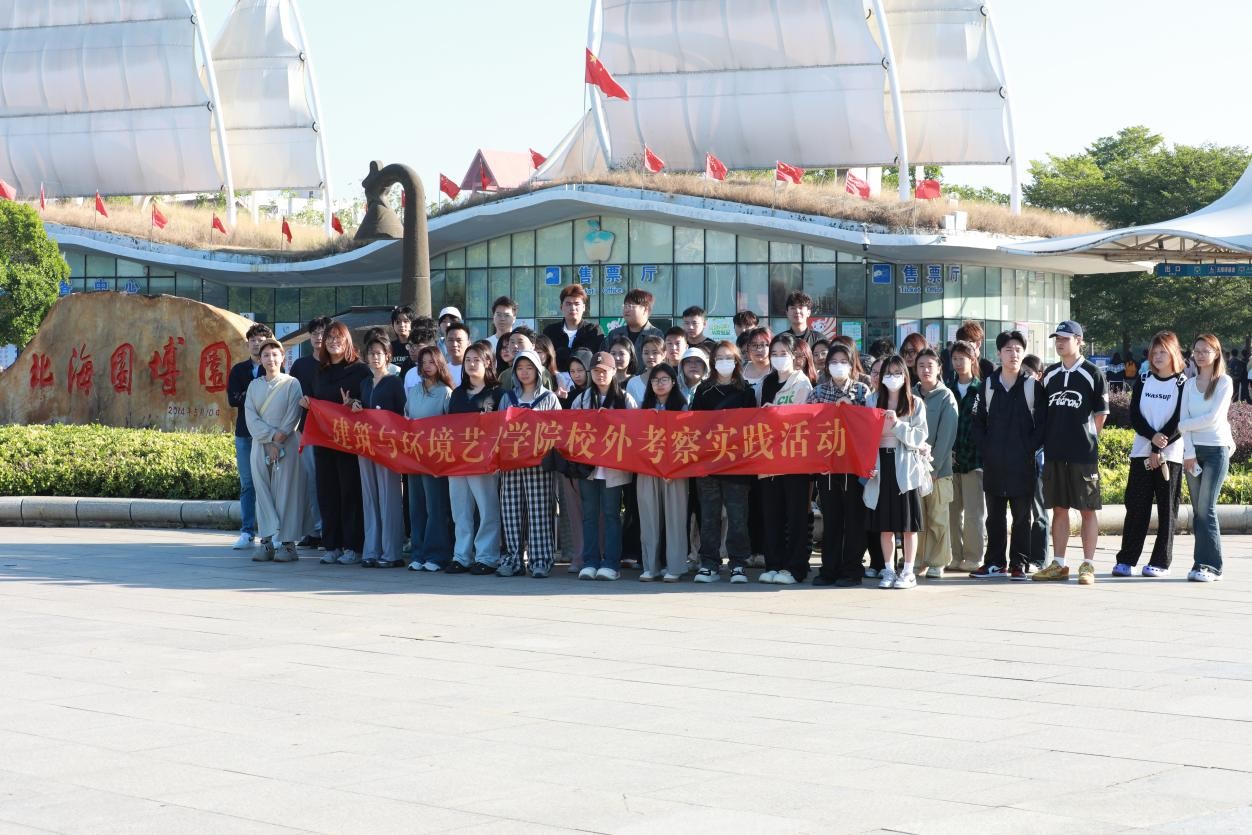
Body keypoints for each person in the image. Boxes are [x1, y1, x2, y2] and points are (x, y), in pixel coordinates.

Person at [1032, 321, 1108, 586]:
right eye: (1057, 339)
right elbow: (1042, 412)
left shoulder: (1093, 373)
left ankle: (1088, 564)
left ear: (1079, 340)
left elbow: (1101, 414)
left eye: (1065, 338)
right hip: (1054, 453)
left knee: (1087, 510)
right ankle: (1059, 563)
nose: (1059, 343)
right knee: (1059, 509)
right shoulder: (1050, 374)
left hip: (1083, 455)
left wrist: (1086, 440)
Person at [970, 330, 1044, 581]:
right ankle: (994, 562)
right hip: (994, 464)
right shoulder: (987, 385)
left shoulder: (1032, 386)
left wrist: (1027, 449)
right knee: (994, 517)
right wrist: (987, 449)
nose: (1013, 354)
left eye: (1018, 349)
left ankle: (1019, 563)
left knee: (1022, 517)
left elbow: (1042, 425)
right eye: (1008, 349)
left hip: (1023, 465)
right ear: (999, 353)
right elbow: (977, 422)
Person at [1113, 331, 1186, 577]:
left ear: (1174, 353)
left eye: (1163, 351)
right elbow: (1135, 415)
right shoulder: (1144, 379)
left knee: (1167, 509)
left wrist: (1158, 447)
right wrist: (1152, 440)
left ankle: (1161, 561)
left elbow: (1179, 420)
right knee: (1136, 506)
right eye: (1154, 352)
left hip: (1170, 456)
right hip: (1141, 452)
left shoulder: (1182, 383)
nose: (1158, 356)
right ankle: (1127, 559)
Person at [689, 342, 757, 582]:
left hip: (737, 464)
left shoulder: (746, 391)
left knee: (738, 517)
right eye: (719, 357)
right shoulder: (704, 390)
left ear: (737, 361)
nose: (724, 361)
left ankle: (738, 563)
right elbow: (694, 425)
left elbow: (752, 426)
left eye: (729, 357)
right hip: (708, 463)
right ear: (713, 362)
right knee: (709, 516)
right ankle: (709, 563)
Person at [303, 321, 370, 565]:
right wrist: (307, 404)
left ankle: (353, 546)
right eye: (329, 338)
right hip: (324, 441)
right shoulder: (319, 371)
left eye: (338, 337)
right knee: (327, 492)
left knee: (349, 492)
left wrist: (354, 404)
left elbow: (367, 404)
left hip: (350, 442)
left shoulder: (360, 371)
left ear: (347, 340)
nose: (333, 342)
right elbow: (314, 400)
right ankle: (332, 545)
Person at [863, 354, 929, 590]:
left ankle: (908, 571)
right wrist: (867, 464)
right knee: (886, 525)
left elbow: (920, 437)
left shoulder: (915, 403)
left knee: (908, 525)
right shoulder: (872, 400)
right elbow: (865, 436)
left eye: (897, 373)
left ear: (905, 376)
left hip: (906, 467)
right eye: (888, 373)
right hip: (880, 466)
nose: (892, 378)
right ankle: (889, 569)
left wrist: (897, 425)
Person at [808, 343, 871, 587]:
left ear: (852, 364)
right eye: (834, 362)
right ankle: (829, 569)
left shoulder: (862, 391)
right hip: (827, 465)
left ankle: (852, 570)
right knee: (832, 519)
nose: (838, 366)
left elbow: (869, 426)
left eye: (843, 361)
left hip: (853, 466)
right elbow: (809, 427)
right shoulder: (818, 392)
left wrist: (852, 408)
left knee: (854, 519)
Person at [756, 333, 816, 585]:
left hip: (794, 460)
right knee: (772, 515)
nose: (778, 358)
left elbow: (803, 420)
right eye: (774, 354)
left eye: (783, 353)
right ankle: (774, 564)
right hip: (769, 459)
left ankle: (795, 568)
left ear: (794, 356)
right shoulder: (765, 382)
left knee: (796, 515)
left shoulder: (802, 384)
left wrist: (777, 414)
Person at [572, 351, 637, 581]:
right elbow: (572, 429)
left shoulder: (625, 398)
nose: (600, 375)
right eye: (596, 371)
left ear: (613, 372)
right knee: (589, 514)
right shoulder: (582, 399)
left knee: (611, 514)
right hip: (588, 466)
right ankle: (590, 561)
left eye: (605, 371)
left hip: (614, 467)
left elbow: (635, 430)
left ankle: (611, 563)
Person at [497, 350, 563, 577]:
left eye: (529, 368)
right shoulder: (507, 398)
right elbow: (498, 429)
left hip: (539, 464)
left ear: (538, 370)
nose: (524, 373)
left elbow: (558, 430)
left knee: (539, 511)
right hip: (511, 463)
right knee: (511, 511)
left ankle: (540, 560)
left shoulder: (549, 398)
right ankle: (513, 559)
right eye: (520, 368)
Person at [244, 338, 306, 563]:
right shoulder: (254, 386)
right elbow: (250, 417)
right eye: (266, 355)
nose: (270, 359)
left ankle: (288, 545)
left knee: (287, 492)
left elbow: (293, 416)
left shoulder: (292, 383)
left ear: (283, 357)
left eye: (274, 354)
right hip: (260, 445)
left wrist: (278, 442)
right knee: (263, 492)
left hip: (287, 444)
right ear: (260, 359)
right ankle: (266, 542)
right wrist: (270, 440)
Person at [1180, 333, 1235, 582]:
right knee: (1198, 512)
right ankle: (1199, 563)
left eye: (1206, 351)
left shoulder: (1224, 382)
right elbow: (1183, 420)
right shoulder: (1189, 384)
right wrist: (1189, 453)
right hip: (1193, 453)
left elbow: (1213, 418)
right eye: (1197, 351)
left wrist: (1185, 426)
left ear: (1216, 353)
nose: (1200, 355)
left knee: (1207, 509)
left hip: (1216, 451)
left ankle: (1212, 567)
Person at [445, 342, 504, 575]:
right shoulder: (458, 393)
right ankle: (461, 556)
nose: (470, 364)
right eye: (468, 360)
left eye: (476, 359)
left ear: (488, 362)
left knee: (487, 509)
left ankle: (487, 557)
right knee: (460, 510)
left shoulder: (497, 393)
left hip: (484, 461)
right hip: (458, 460)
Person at [351, 334, 406, 568]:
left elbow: (402, 415)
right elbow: (364, 409)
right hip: (366, 446)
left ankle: (392, 552)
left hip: (388, 447)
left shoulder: (394, 382)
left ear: (388, 356)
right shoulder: (365, 383)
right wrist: (355, 406)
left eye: (379, 353)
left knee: (389, 498)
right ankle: (372, 549)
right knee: (370, 498)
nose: (374, 357)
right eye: (371, 353)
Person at [637, 363, 689, 582]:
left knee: (675, 519)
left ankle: (675, 566)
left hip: (674, 470)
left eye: (664, 379)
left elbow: (685, 440)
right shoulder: (644, 407)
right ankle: (651, 566)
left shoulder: (682, 406)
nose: (659, 384)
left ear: (673, 382)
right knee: (649, 518)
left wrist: (672, 468)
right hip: (648, 468)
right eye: (655, 380)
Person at [405, 345, 454, 572]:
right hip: (415, 455)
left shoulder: (445, 392)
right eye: (423, 362)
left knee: (436, 507)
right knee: (416, 506)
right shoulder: (414, 390)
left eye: (431, 362)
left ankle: (437, 554)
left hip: (435, 456)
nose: (427, 366)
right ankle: (418, 552)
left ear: (439, 364)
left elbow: (451, 426)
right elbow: (406, 418)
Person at [227, 324, 273, 550]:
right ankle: (247, 532)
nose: (256, 344)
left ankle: (272, 531)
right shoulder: (238, 370)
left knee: (271, 483)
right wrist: (255, 393)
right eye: (253, 340)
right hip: (245, 434)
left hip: (268, 435)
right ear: (248, 344)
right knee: (247, 484)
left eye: (261, 340)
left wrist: (248, 394)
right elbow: (233, 399)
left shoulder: (273, 369)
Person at [913, 348, 958, 579]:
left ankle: (937, 561)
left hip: (938, 470)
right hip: (912, 468)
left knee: (938, 518)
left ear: (939, 368)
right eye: (921, 365)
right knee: (916, 517)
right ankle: (917, 559)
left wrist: (934, 469)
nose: (925, 370)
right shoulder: (910, 394)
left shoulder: (946, 396)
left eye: (930, 365)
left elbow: (946, 436)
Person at [290, 315, 330, 548]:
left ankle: (328, 529)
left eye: (322, 333)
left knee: (326, 481)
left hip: (331, 432)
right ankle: (316, 529)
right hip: (305, 430)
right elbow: (292, 396)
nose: (318, 337)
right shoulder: (300, 365)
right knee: (311, 481)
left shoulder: (334, 364)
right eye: (314, 333)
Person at [946, 340, 984, 573]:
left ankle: (973, 557)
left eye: (963, 358)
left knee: (973, 513)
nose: (958, 363)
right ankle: (954, 555)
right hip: (950, 461)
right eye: (955, 358)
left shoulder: (982, 389)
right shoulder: (947, 389)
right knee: (952, 512)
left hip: (975, 460)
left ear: (972, 360)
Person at [1022, 354, 1049, 570]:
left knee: (1039, 511)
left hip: (1038, 459)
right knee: (1021, 512)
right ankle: (1022, 557)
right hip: (1019, 459)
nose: (1024, 376)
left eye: (1028, 372)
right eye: (1022, 372)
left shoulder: (1042, 396)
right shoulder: (1016, 393)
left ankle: (1039, 559)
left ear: (1039, 375)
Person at [543, 284, 604, 370]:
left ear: (584, 307)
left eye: (577, 304)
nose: (572, 308)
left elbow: (595, 359)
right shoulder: (550, 331)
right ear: (561, 307)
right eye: (568, 304)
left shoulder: (594, 331)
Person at [602, 288, 664, 356]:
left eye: (630, 306)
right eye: (625, 306)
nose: (626, 310)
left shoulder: (656, 334)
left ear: (645, 309)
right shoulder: (614, 335)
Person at [625, 334, 665, 405]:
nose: (650, 356)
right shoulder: (633, 383)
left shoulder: (670, 381)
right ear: (642, 354)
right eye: (646, 353)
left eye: (655, 352)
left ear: (664, 354)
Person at [740, 326, 772, 394]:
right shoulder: (741, 370)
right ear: (748, 348)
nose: (758, 349)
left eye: (762, 345)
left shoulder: (776, 370)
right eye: (754, 345)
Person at [443, 322, 470, 386]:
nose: (454, 344)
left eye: (459, 340)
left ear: (468, 343)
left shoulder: (473, 369)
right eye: (450, 340)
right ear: (445, 342)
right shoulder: (442, 370)